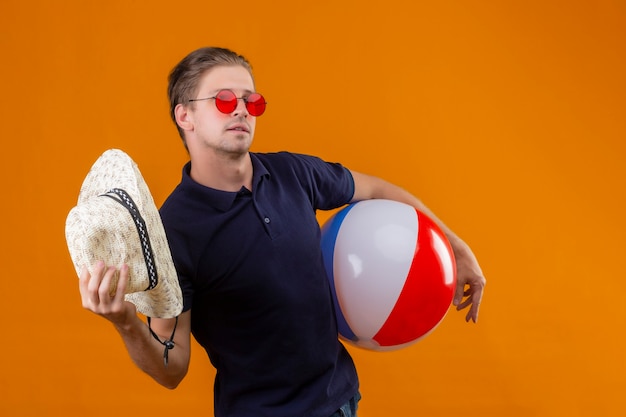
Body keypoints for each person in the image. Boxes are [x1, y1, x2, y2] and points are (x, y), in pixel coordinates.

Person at [78, 46, 486, 417]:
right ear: (185, 116)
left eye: (251, 101)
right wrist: (127, 324)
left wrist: (455, 245)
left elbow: (376, 189)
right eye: (223, 100)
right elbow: (173, 367)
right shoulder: (173, 234)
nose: (240, 110)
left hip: (341, 401)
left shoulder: (294, 172)